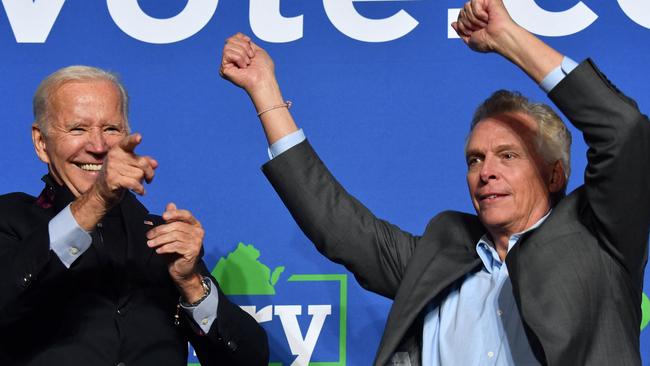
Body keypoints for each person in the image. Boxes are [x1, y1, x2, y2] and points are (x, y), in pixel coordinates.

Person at [220, 0, 650, 364]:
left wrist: (508, 38)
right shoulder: (442, 251)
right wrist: (265, 91)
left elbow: (623, 130)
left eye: (508, 155)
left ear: (554, 174)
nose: (487, 172)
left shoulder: (599, 238)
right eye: (475, 159)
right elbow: (337, 224)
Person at [0, 65, 268, 365]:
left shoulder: (159, 238)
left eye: (111, 129)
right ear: (41, 142)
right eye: (78, 128)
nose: (98, 146)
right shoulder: (10, 221)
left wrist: (191, 283)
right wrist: (98, 198)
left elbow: (249, 361)